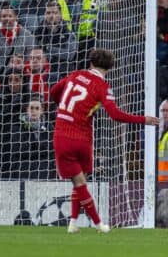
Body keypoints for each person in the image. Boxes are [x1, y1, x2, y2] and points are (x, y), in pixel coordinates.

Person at [50, 48, 160, 233]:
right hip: (83, 139)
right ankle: (93, 224)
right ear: (109, 69)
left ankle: (81, 223)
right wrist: (144, 120)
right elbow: (115, 115)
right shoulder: (103, 87)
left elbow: (53, 92)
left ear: (91, 63)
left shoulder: (75, 74)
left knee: (79, 182)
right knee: (81, 181)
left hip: (62, 134)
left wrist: (65, 108)